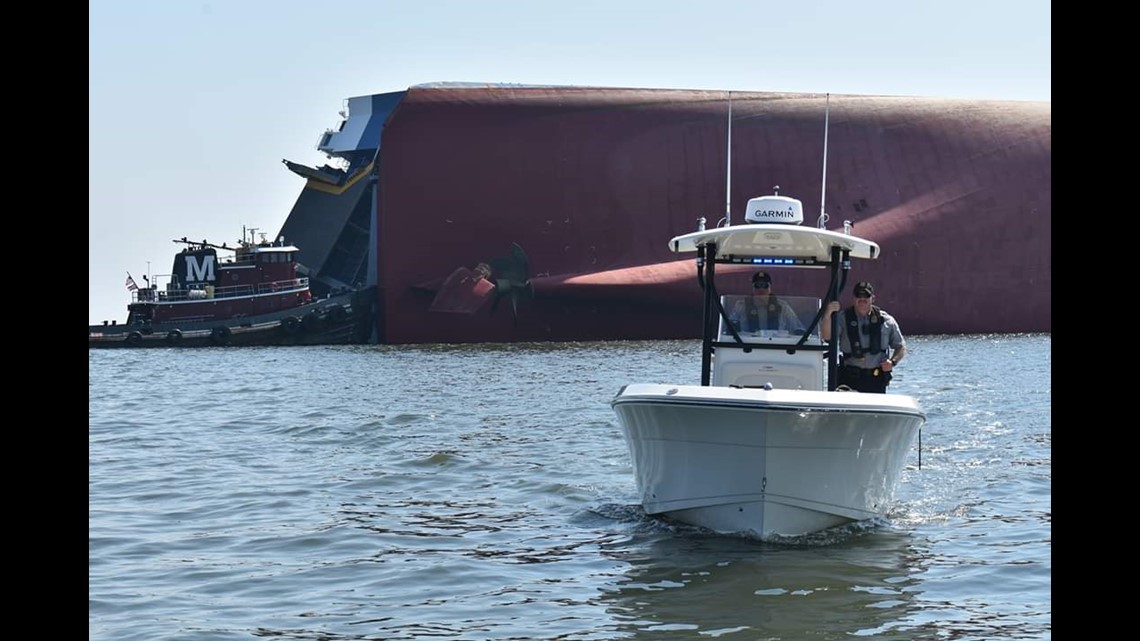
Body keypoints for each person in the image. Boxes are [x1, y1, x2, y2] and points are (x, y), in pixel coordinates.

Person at [821, 281, 907, 393]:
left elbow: (901, 347)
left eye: (866, 296)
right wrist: (827, 314)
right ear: (853, 299)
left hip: (876, 379)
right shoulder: (842, 318)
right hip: (849, 379)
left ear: (873, 298)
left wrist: (892, 362)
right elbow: (827, 337)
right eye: (858, 296)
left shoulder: (886, 320)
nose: (862, 299)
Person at [729, 271, 805, 334]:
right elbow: (730, 328)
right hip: (747, 344)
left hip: (776, 345)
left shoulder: (782, 307)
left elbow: (798, 329)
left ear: (770, 288)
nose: (761, 289)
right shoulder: (741, 306)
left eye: (765, 285)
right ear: (752, 287)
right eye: (757, 285)